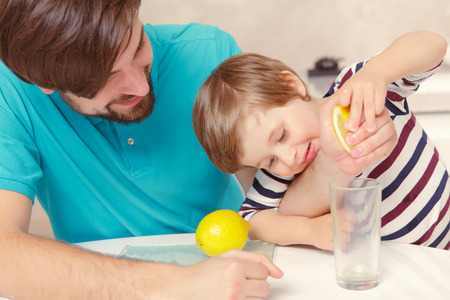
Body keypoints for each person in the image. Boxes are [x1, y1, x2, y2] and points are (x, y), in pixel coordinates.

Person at [0, 0, 283, 299]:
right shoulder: (12, 96)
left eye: (137, 48)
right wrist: (179, 284)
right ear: (43, 81)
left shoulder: (209, 53)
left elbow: (284, 194)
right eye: (107, 78)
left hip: (239, 280)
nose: (141, 87)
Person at [193, 31, 450, 251]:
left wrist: (376, 73)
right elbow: (252, 219)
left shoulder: (355, 93)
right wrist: (307, 230)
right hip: (405, 265)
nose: (286, 158)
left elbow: (434, 44)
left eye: (282, 135)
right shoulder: (285, 172)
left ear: (292, 86)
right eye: (269, 161)